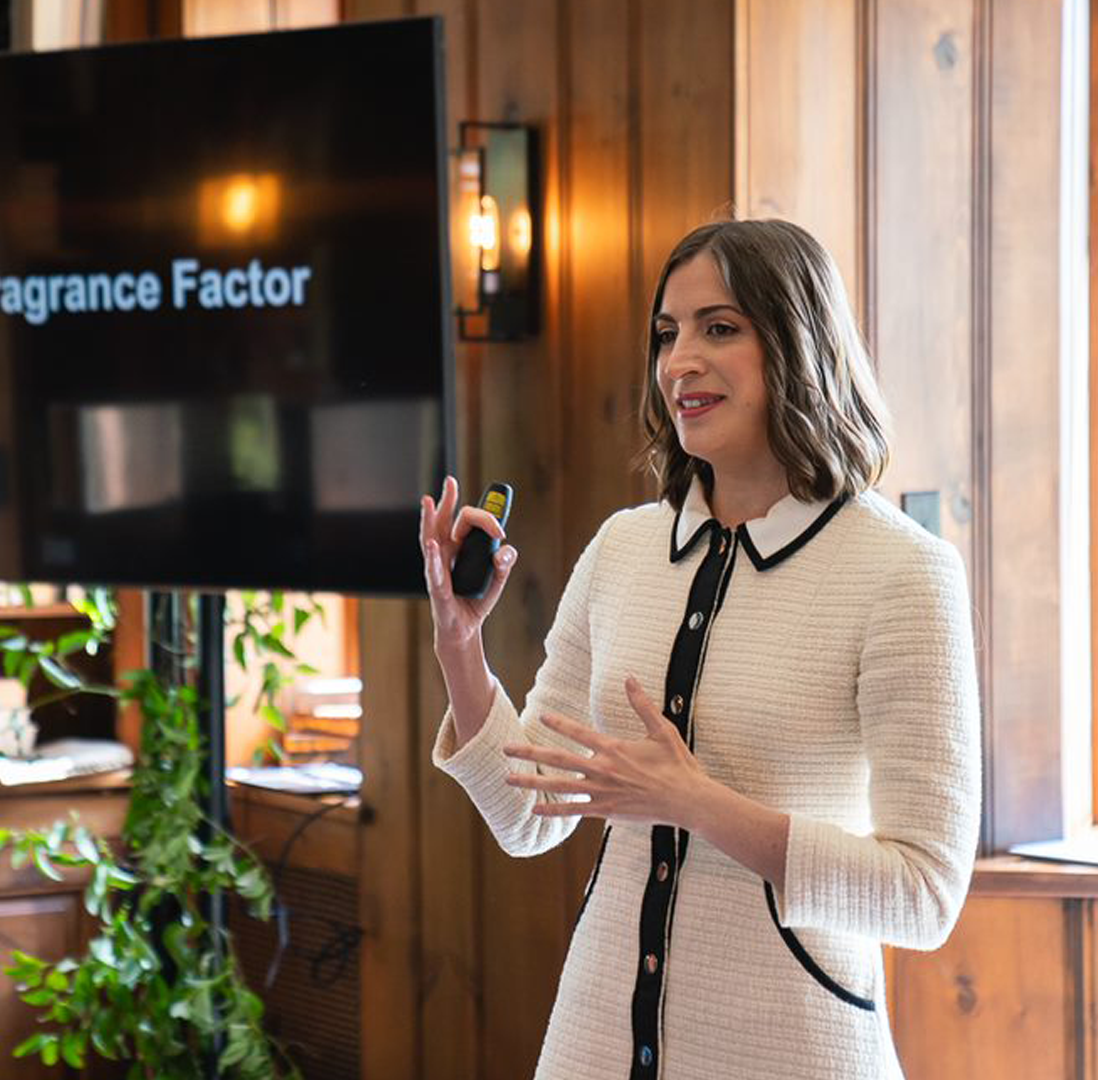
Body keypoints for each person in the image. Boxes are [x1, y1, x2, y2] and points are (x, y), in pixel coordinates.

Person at [417, 218, 980, 1080]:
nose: (680, 360)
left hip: (790, 1051)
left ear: (798, 343)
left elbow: (924, 895)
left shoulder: (903, 574)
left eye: (720, 328)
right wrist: (462, 648)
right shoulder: (622, 549)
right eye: (667, 333)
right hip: (592, 1046)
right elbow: (530, 814)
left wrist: (698, 803)